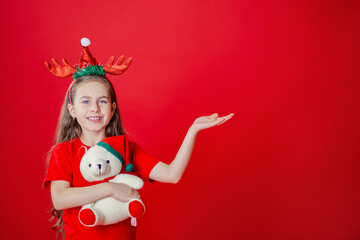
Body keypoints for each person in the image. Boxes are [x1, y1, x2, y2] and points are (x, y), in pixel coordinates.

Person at [44, 38, 234, 240]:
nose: (94, 108)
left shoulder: (126, 149)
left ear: (112, 109)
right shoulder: (64, 151)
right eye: (85, 101)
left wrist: (193, 130)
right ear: (72, 110)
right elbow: (60, 198)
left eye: (102, 101)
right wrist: (111, 189)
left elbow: (172, 174)